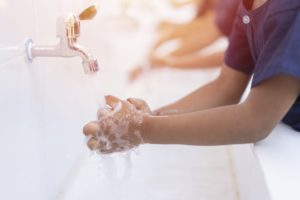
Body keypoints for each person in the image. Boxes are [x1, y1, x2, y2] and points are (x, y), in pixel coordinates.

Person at [83, 0, 300, 154]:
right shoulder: (247, 5)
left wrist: (143, 129)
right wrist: (154, 116)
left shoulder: (290, 9)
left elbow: (257, 121)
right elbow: (224, 87)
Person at [129, 0, 240, 81]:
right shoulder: (217, 18)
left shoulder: (217, 22)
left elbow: (224, 56)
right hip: (209, 24)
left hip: (212, 26)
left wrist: (167, 62)